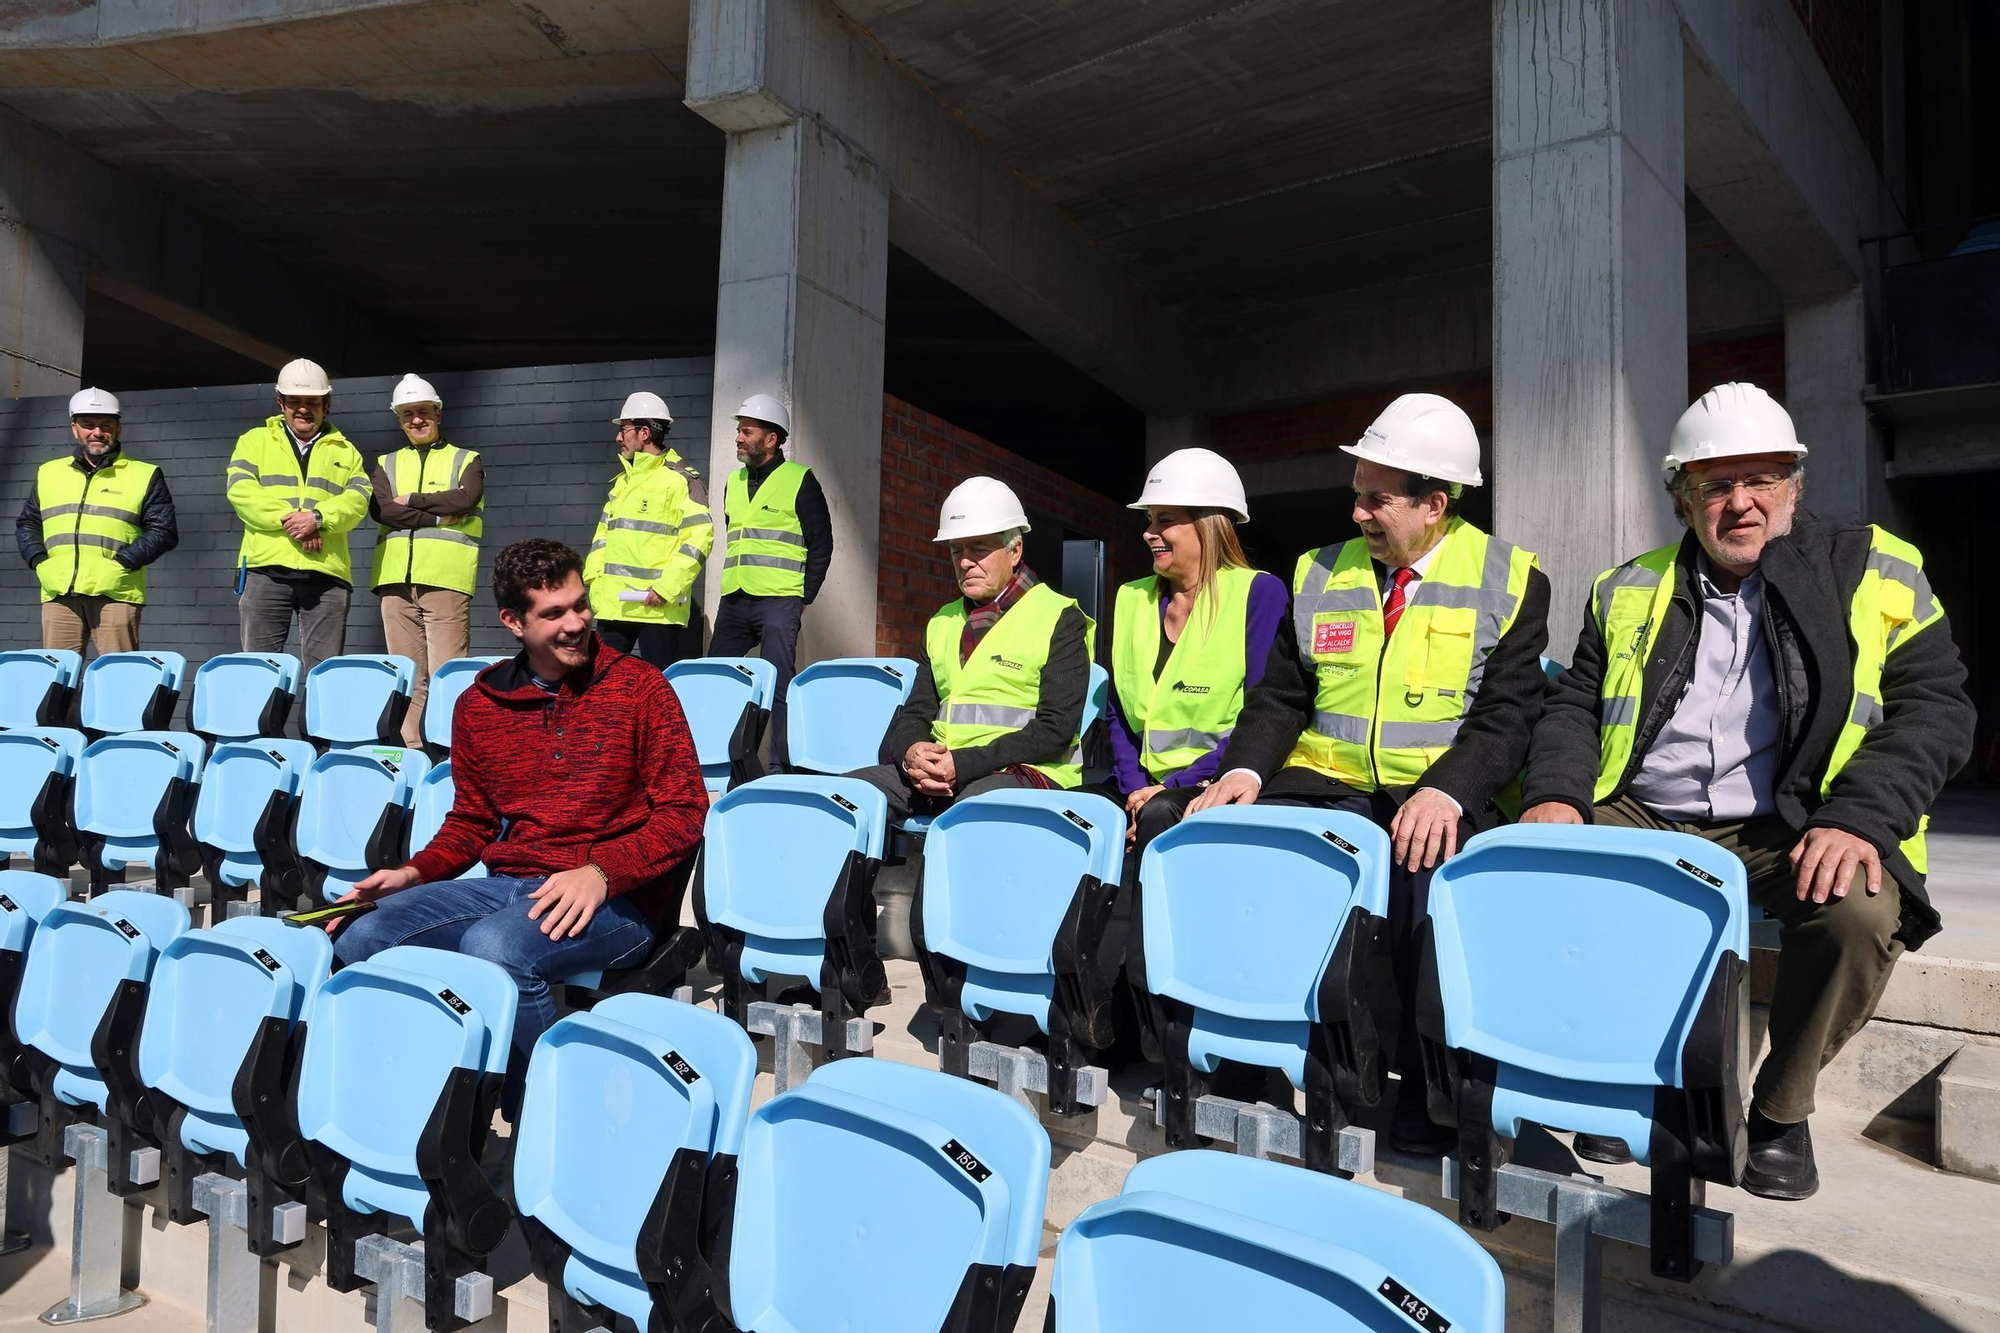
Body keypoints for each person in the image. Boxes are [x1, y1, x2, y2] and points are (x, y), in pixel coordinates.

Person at [1520, 382, 1974, 1200]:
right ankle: (1625, 1072)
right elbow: (1574, 705)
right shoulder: (1627, 585)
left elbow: (1937, 707)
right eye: (1714, 485)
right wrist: (1555, 793)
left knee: (1860, 910)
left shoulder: (1873, 565)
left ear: (1794, 485)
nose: (1741, 503)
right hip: (1647, 810)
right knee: (1531, 866)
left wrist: (1861, 818)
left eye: (1760, 479)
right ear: (1682, 500)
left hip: (1792, 817)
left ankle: (1778, 1112)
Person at [1188, 392, 1550, 1154]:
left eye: (1375, 499)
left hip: (1439, 790)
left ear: (1435, 505)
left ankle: (1425, 1086)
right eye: (1356, 494)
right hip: (1329, 782)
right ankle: (1266, 1057)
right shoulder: (1319, 572)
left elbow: (1509, 714)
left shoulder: (1511, 578)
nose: (1357, 513)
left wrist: (1448, 789)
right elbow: (1282, 696)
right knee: (1250, 852)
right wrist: (1246, 772)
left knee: (1429, 877)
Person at [332, 538, 709, 1093]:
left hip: (619, 897)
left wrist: (602, 873)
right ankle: (416, 1095)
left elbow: (684, 810)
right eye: (554, 613)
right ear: (513, 621)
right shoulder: (479, 706)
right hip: (512, 885)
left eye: (581, 604)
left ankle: (555, 1107)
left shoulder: (640, 688)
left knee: (497, 949)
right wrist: (411, 873)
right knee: (360, 934)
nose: (576, 622)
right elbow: (472, 823)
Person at [848, 477, 1092, 817]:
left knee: (972, 812)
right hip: (944, 772)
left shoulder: (1059, 617)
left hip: (1023, 772)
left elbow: (1056, 730)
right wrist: (913, 752)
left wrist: (962, 764)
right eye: (955, 550)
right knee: (841, 797)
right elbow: (917, 711)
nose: (964, 562)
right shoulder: (941, 622)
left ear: (1015, 550)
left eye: (978, 548)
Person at [1103, 447, 1287, 860]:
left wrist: (1165, 789)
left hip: (1218, 779)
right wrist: (1135, 788)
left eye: (1164, 520)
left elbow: (1267, 712)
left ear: (1208, 525)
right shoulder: (1131, 597)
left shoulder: (1258, 593)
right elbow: (1117, 711)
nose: (1149, 532)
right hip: (1139, 783)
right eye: (1149, 520)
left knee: (1160, 812)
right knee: (1078, 814)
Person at [227, 358, 369, 688]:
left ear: (327, 405)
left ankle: (319, 741)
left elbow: (359, 499)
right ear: (281, 403)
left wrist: (318, 518)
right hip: (266, 571)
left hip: (327, 575)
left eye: (312, 403)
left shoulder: (347, 452)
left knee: (324, 676)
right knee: (258, 671)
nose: (303, 409)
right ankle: (258, 740)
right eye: (295, 402)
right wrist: (295, 522)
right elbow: (240, 491)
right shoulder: (254, 441)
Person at [709, 393, 833, 765]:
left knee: (779, 685)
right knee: (717, 678)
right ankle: (717, 761)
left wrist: (803, 596)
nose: (738, 438)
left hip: (779, 600)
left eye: (746, 432)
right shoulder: (733, 481)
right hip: (734, 598)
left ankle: (782, 766)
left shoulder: (800, 480)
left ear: (771, 439)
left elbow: (821, 543)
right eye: (738, 431)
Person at [17, 387, 178, 657]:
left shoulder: (145, 474)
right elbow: (28, 523)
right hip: (59, 593)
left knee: (117, 679)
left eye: (106, 425)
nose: (97, 432)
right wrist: (40, 561)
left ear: (118, 429)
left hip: (115, 593)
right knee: (58, 682)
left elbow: (164, 531)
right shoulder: (49, 472)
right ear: (74, 429)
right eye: (88, 425)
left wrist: (122, 564)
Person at [368, 374, 484, 746]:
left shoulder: (466, 459)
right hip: (395, 583)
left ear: (438, 413)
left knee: (446, 673)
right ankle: (413, 751)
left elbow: (464, 500)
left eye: (422, 412)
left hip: (445, 579)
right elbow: (383, 511)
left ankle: (450, 750)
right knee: (408, 675)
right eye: (407, 414)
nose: (416, 420)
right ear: (398, 419)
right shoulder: (385, 463)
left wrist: (413, 499)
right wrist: (436, 514)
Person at [583, 391, 712, 667]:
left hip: (658, 609)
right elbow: (602, 538)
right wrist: (595, 582)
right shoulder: (623, 481)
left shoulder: (682, 479)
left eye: (624, 430)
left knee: (655, 691)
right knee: (601, 688)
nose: (619, 438)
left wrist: (667, 587)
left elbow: (700, 538)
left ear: (644, 433)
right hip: (615, 606)